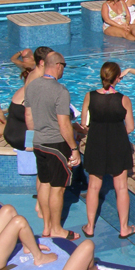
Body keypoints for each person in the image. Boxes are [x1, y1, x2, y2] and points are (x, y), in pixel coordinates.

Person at [25, 51, 81, 241]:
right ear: (58, 65)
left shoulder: (31, 86)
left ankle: (47, 227)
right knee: (58, 188)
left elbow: (29, 118)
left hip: (39, 143)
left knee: (45, 184)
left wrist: (37, 135)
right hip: (57, 144)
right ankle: (57, 229)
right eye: (64, 66)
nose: (63, 70)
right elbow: (64, 124)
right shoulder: (60, 91)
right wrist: (74, 148)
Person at [79, 62, 135, 239]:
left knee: (93, 187)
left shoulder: (89, 96)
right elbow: (131, 127)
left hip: (96, 144)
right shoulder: (123, 99)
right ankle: (123, 228)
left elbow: (84, 123)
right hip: (118, 144)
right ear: (117, 77)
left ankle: (90, 226)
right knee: (121, 187)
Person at [3, 46, 52, 151]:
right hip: (21, 139)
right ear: (43, 63)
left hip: (11, 132)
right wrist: (34, 142)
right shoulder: (38, 83)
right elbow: (29, 116)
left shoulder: (32, 74)